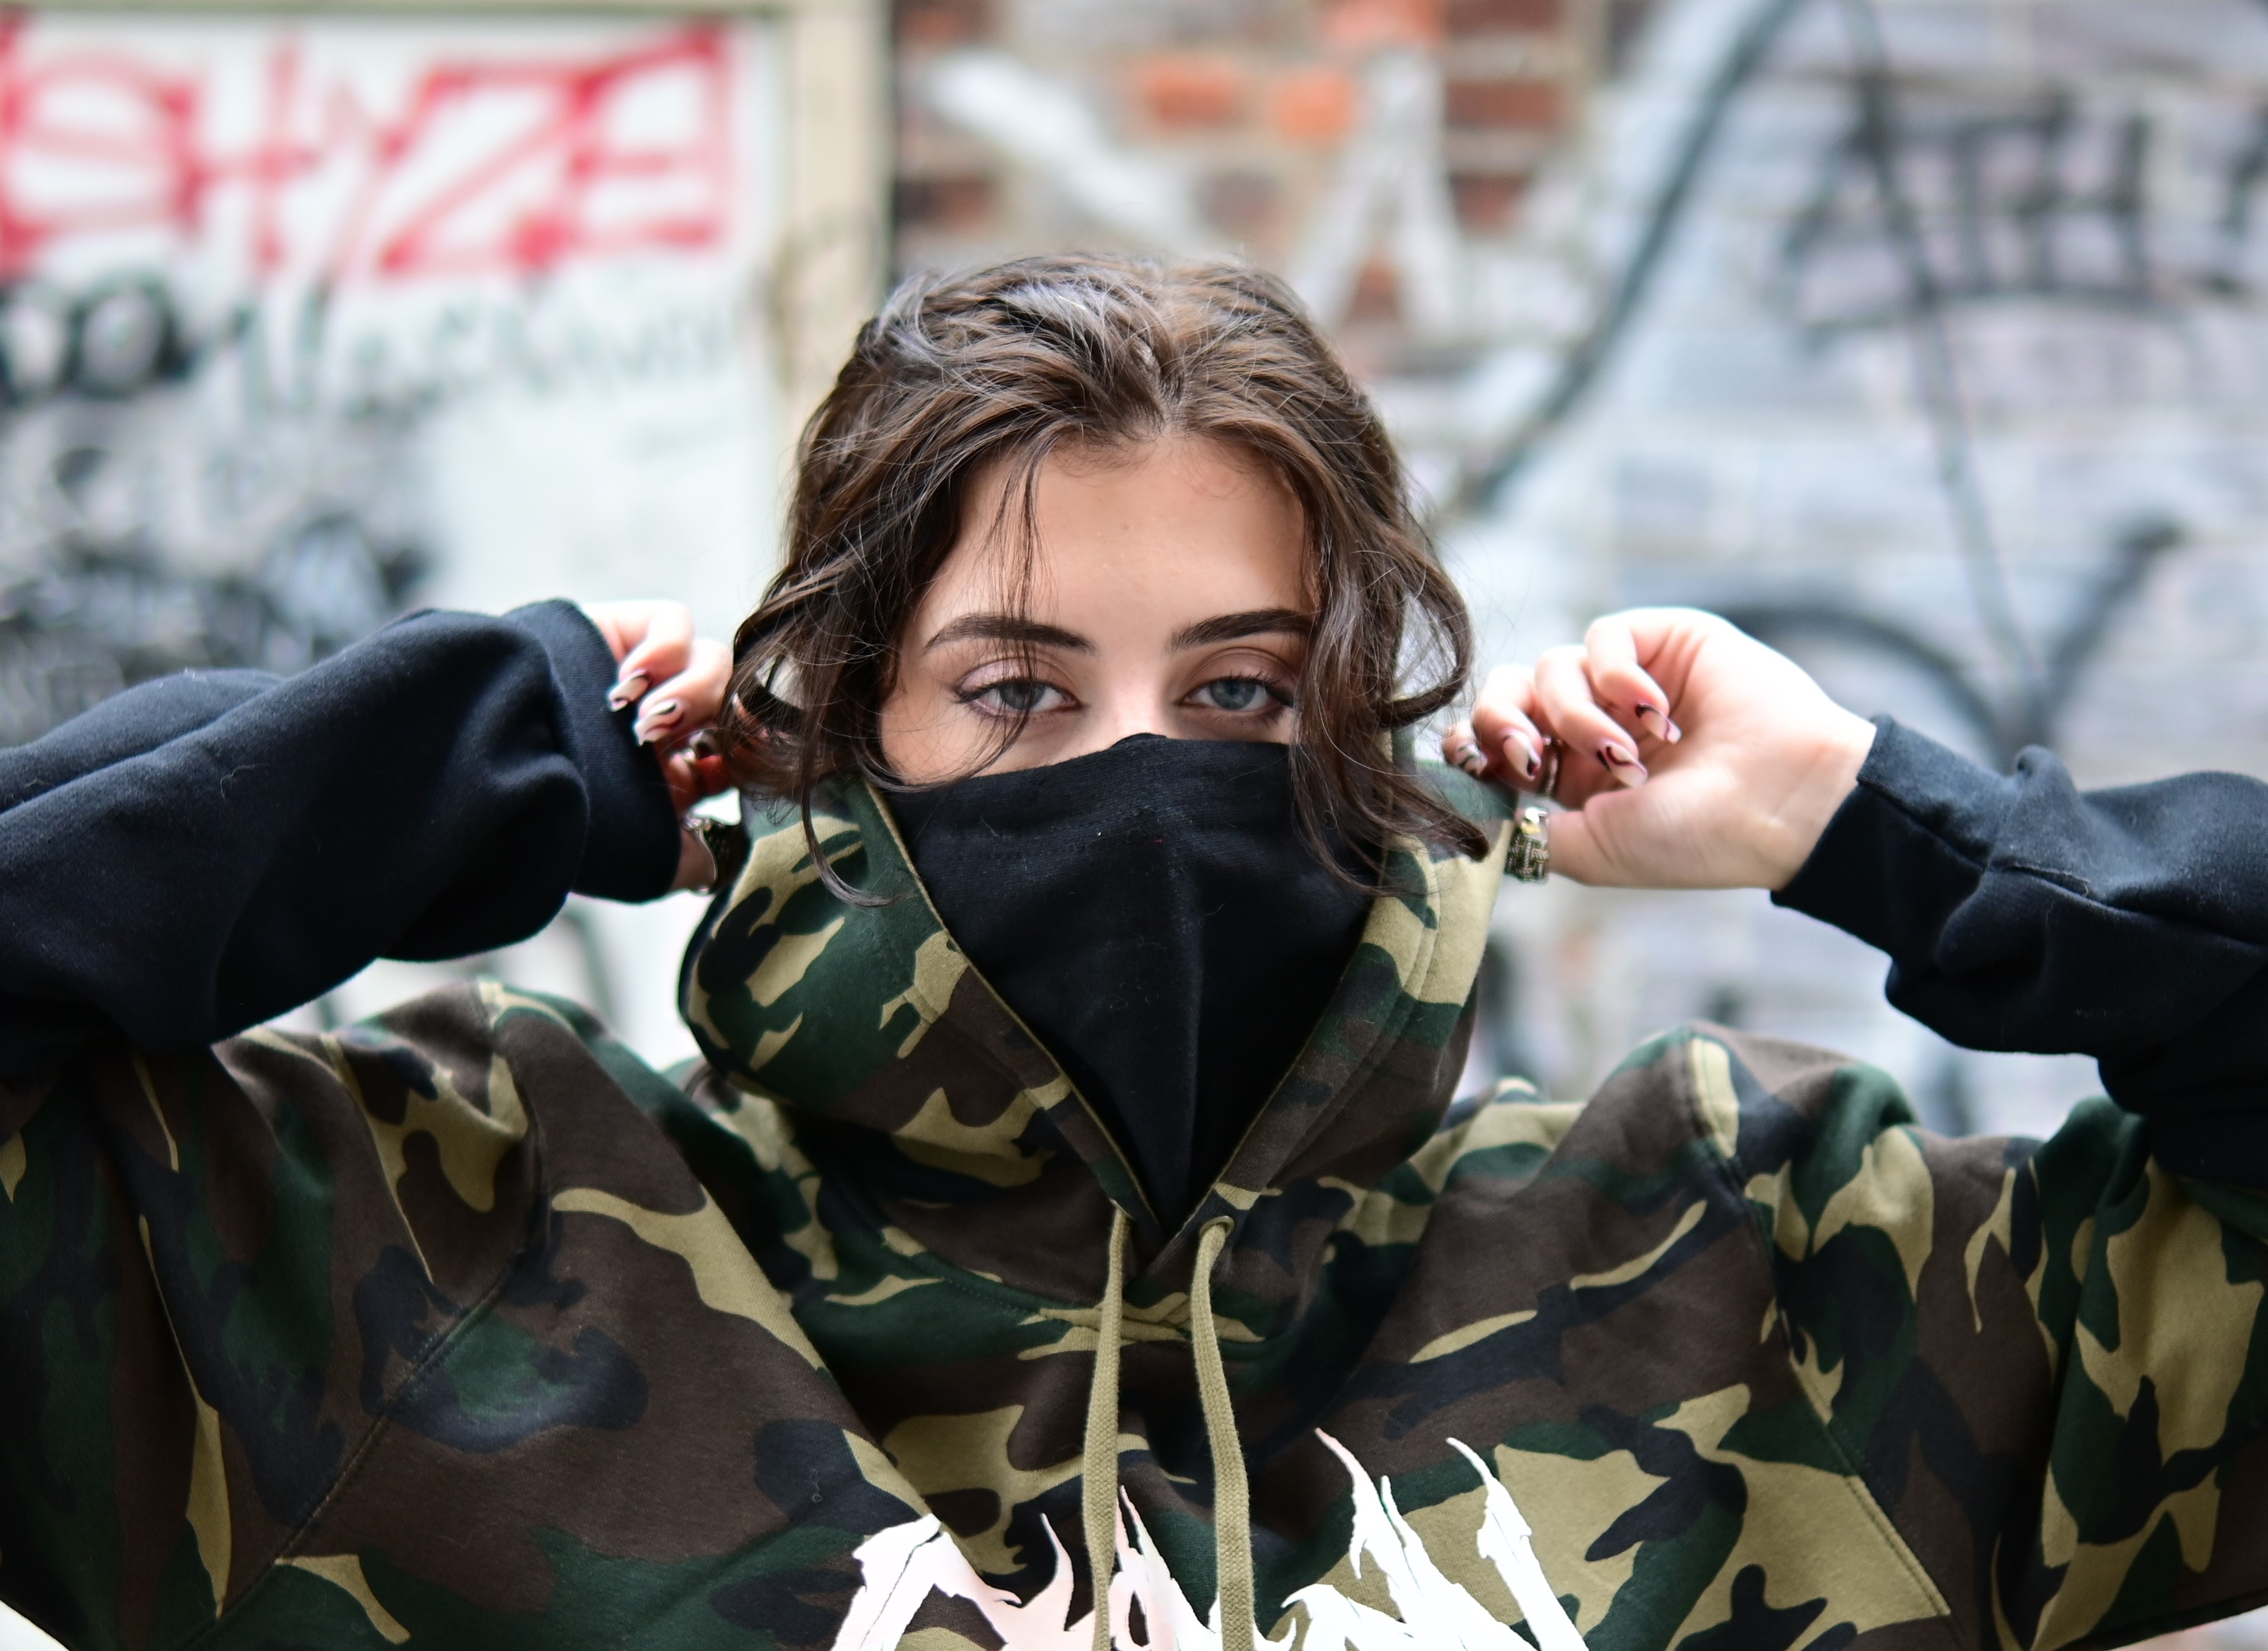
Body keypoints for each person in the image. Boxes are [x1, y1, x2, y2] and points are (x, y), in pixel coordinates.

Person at [0, 255, 2263, 1651]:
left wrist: (1883, 825)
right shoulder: (430, 1251)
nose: (1143, 777)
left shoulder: (1764, 1270)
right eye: (1015, 688)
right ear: (836, 725)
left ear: (1361, 726)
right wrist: (460, 750)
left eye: (1244, 689)